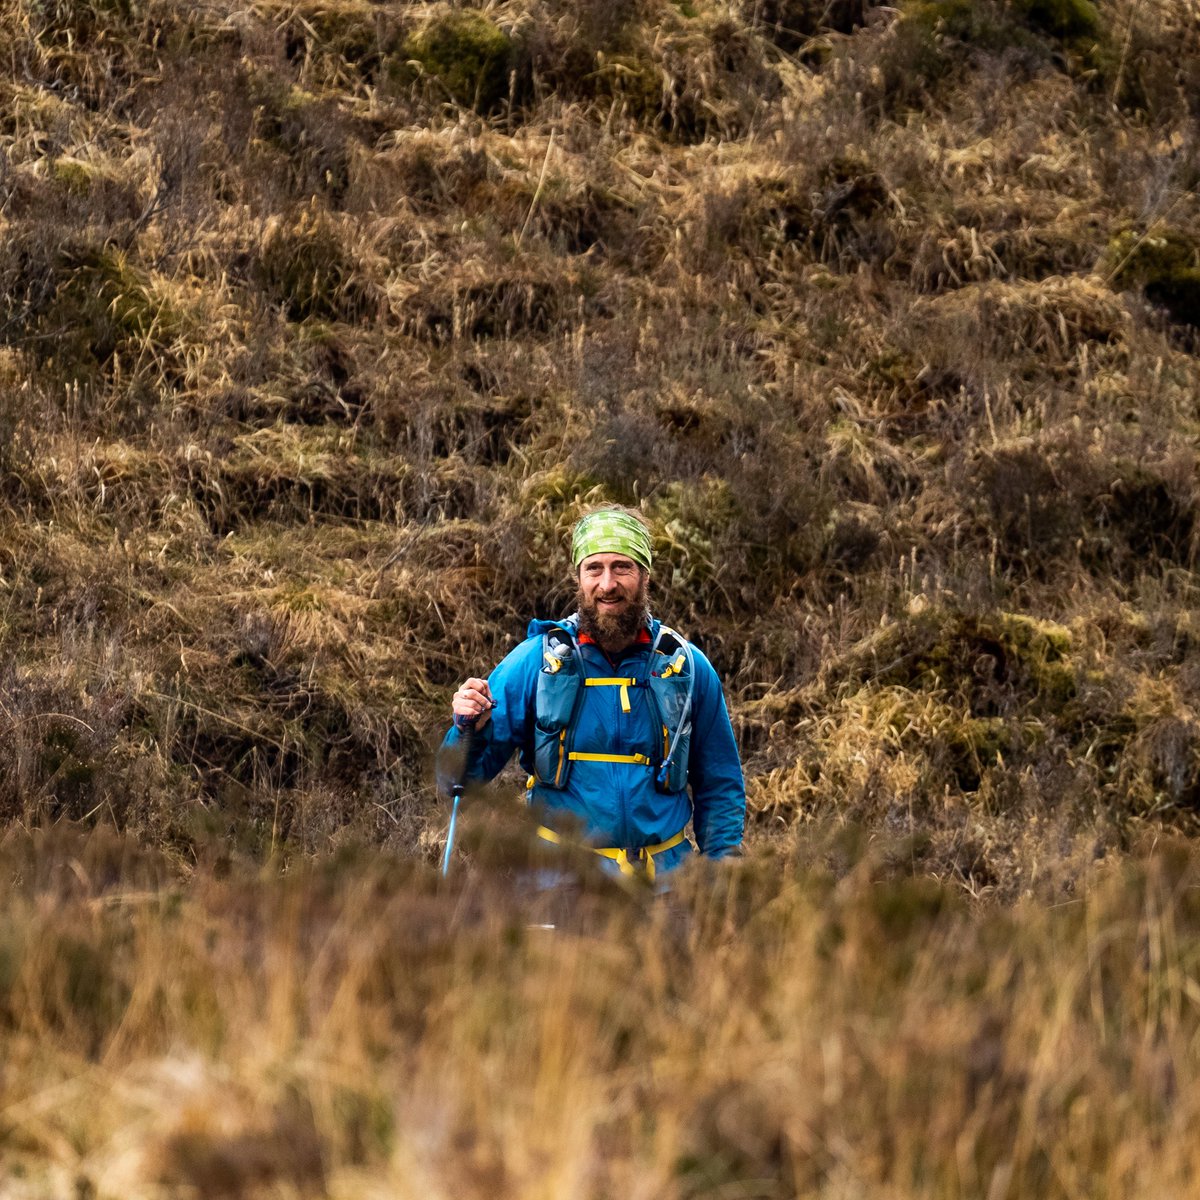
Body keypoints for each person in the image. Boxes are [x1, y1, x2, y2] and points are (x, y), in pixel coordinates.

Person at [440, 505, 745, 881]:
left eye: (622, 567)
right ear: (578, 577)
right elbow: (458, 782)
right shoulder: (535, 662)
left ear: (645, 575)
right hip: (560, 888)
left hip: (665, 890)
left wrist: (726, 876)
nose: (607, 584)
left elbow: (720, 785)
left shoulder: (685, 667)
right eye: (594, 568)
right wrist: (469, 727)